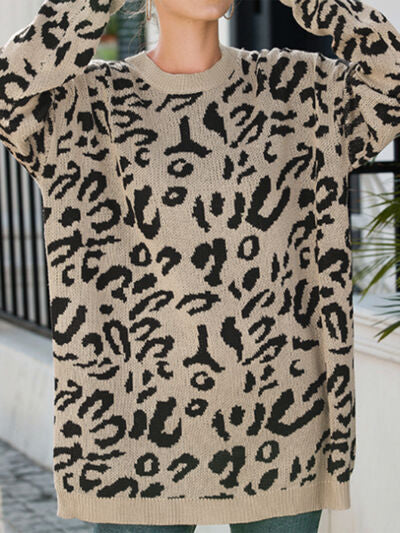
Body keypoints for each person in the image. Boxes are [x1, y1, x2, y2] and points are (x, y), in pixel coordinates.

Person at [1, 0, 399, 531]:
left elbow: (391, 78)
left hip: (284, 426)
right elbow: (8, 92)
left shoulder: (298, 89)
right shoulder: (85, 105)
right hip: (129, 438)